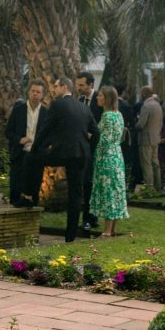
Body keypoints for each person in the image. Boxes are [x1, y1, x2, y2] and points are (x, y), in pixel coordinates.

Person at [22, 76, 99, 243]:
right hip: (81, 154)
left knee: (30, 159)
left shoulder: (57, 104)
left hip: (62, 153)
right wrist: (88, 149)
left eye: (56, 87)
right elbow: (96, 132)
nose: (53, 90)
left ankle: (29, 196)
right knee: (76, 194)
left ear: (64, 87)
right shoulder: (83, 107)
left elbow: (45, 129)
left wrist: (35, 149)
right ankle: (71, 236)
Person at [89, 86, 128, 237]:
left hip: (106, 158)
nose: (97, 98)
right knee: (116, 191)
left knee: (107, 193)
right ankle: (112, 229)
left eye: (100, 96)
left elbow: (103, 140)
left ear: (107, 98)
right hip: (117, 156)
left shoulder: (107, 116)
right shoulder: (118, 114)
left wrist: (90, 137)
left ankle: (106, 231)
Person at [5, 80, 48, 205]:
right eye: (33, 91)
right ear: (28, 92)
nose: (35, 94)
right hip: (20, 153)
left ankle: (32, 213)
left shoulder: (46, 113)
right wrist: (19, 139)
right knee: (16, 188)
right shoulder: (18, 110)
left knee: (34, 188)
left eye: (38, 92)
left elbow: (49, 135)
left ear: (42, 95)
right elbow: (8, 131)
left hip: (36, 154)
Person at [76, 71, 101, 231]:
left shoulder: (99, 100)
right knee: (85, 184)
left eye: (82, 85)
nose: (79, 88)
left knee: (91, 184)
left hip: (95, 149)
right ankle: (89, 217)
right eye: (77, 85)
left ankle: (90, 218)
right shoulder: (79, 100)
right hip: (82, 149)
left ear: (91, 85)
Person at [136, 85, 162, 191]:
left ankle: (149, 187)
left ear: (144, 94)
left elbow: (141, 124)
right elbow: (160, 122)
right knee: (155, 162)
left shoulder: (146, 106)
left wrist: (135, 123)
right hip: (156, 137)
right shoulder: (157, 105)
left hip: (146, 139)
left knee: (146, 163)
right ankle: (158, 185)